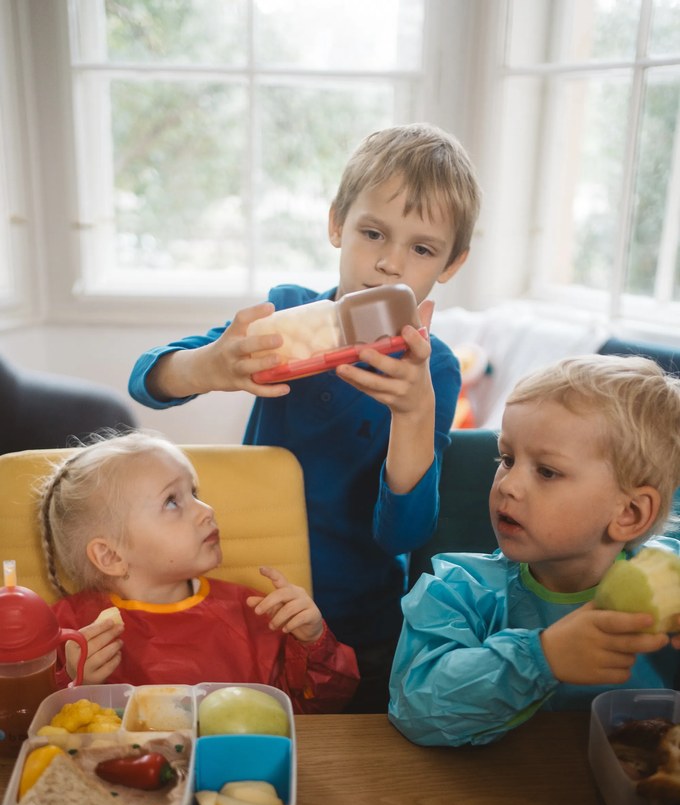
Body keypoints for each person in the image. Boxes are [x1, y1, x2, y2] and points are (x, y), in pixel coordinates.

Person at [128, 123, 482, 713]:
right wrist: (210, 366)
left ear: (450, 264)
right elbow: (149, 380)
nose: (389, 264)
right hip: (254, 596)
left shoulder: (435, 370)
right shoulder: (289, 314)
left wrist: (414, 413)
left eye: (421, 249)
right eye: (373, 233)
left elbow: (403, 535)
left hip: (357, 626)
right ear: (337, 223)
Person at [388, 354, 680, 746]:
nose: (508, 485)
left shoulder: (671, 589)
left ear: (628, 513)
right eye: (507, 459)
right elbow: (415, 709)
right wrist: (543, 657)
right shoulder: (458, 591)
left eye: (547, 471)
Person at [38, 432, 359, 713]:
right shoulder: (64, 631)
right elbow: (24, 724)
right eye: (172, 502)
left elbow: (317, 710)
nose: (207, 511)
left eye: (195, 493)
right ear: (110, 555)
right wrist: (72, 682)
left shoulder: (255, 611)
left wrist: (314, 643)